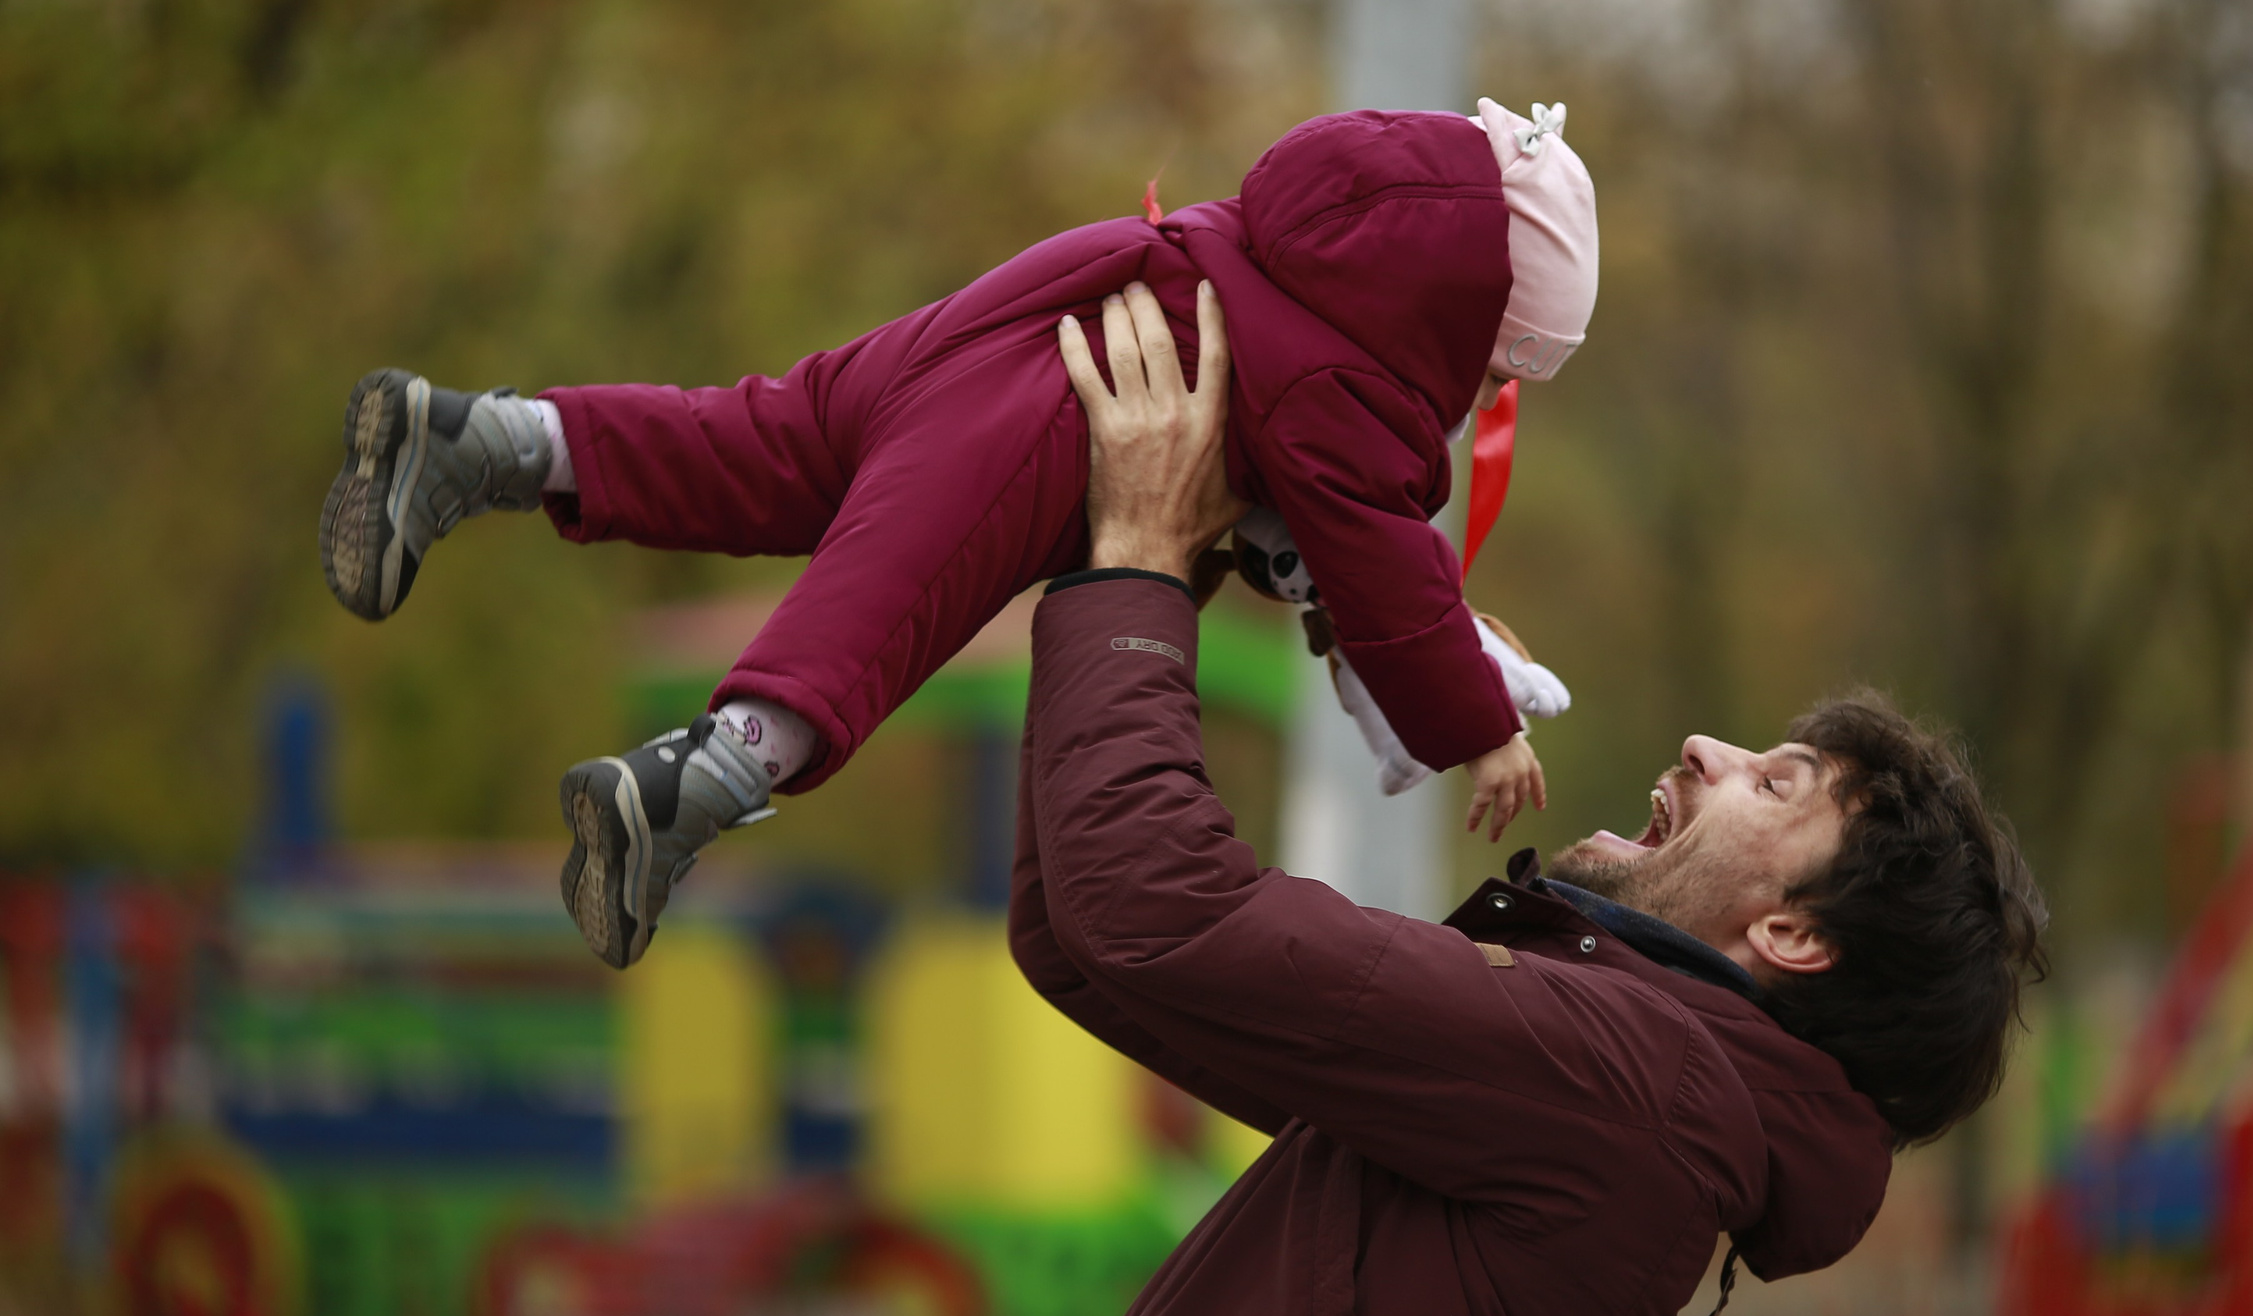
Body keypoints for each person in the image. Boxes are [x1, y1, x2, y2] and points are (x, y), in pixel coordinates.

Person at [1011, 233, 2049, 1316]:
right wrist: (1162, 558)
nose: (1706, 750)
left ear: (1790, 933)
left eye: (1774, 784)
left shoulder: (1633, 1081)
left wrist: (1137, 555)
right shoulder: (1638, 1080)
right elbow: (1082, 936)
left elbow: (1154, 909)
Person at [314, 98, 1596, 969]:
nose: (1485, 401)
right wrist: (1474, 724)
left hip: (1027, 304)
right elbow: (1377, 566)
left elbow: (1294, 533)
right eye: (1497, 369)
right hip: (1048, 421)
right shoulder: (1359, 388)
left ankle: (490, 441)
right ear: (1464, 311)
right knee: (898, 593)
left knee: (767, 437)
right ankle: (688, 784)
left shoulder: (1272, 252)